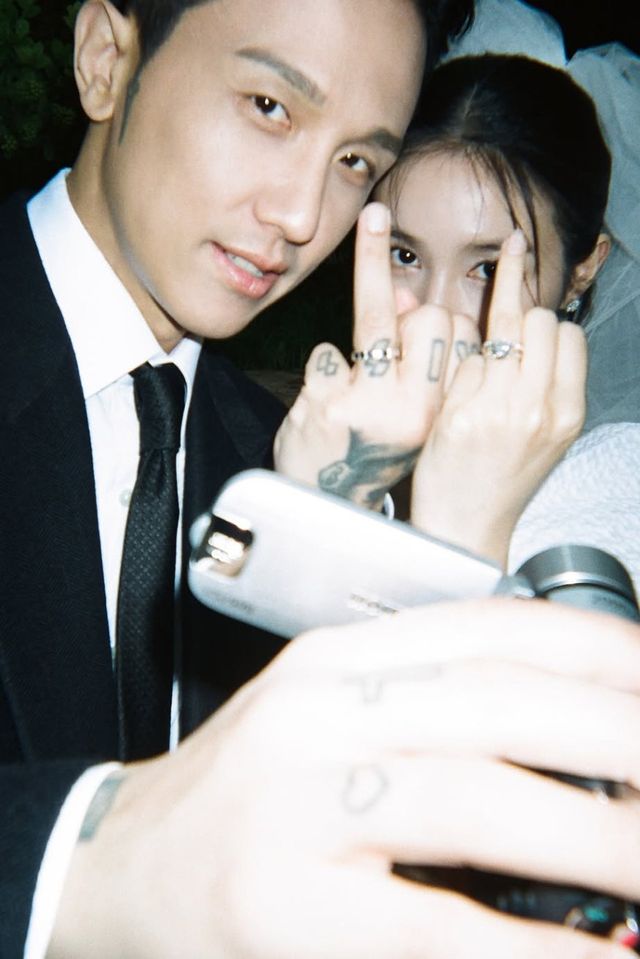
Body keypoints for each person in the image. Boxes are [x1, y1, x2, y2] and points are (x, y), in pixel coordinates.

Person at [357, 53, 612, 568]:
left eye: (490, 269)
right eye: (404, 256)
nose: (434, 313)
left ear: (580, 272)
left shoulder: (614, 491)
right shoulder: (302, 438)